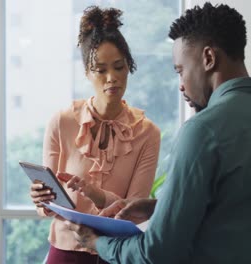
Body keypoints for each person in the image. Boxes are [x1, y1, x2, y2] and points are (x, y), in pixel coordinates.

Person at [65, 2, 251, 263]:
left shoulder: (203, 130)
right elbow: (236, 210)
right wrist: (160, 208)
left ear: (209, 58)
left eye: (181, 71)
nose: (181, 86)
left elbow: (155, 253)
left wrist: (97, 243)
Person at [29, 5, 161, 264]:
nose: (111, 78)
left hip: (116, 253)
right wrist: (39, 197)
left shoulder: (147, 133)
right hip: (65, 251)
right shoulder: (61, 122)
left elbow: (133, 211)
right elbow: (48, 206)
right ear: (88, 73)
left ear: (129, 67)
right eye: (101, 70)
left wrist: (93, 193)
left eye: (119, 67)